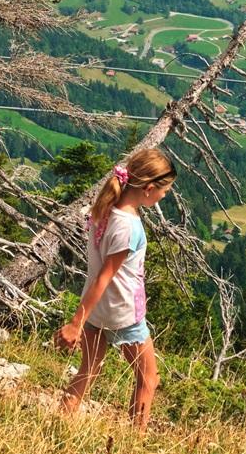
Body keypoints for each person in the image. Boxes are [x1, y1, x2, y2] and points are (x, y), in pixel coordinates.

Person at [55, 149, 176, 427]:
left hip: (96, 311)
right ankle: (135, 442)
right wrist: (75, 322)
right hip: (123, 314)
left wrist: (83, 318)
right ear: (148, 188)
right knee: (148, 379)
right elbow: (105, 277)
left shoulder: (105, 211)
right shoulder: (129, 226)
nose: (164, 195)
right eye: (165, 190)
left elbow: (97, 274)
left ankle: (59, 425)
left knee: (89, 371)